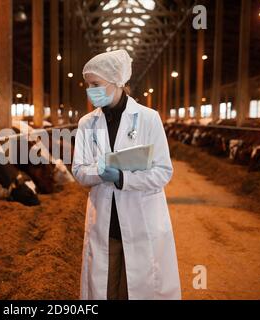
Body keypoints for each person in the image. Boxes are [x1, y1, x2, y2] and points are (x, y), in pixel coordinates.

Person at [72, 49, 181, 300]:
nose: (90, 91)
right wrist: (100, 172)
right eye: (88, 85)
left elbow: (163, 171)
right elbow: (79, 170)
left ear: (117, 82)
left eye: (96, 84)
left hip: (141, 221)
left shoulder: (148, 118)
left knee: (136, 291)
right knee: (104, 290)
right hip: (105, 225)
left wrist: (124, 179)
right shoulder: (86, 123)